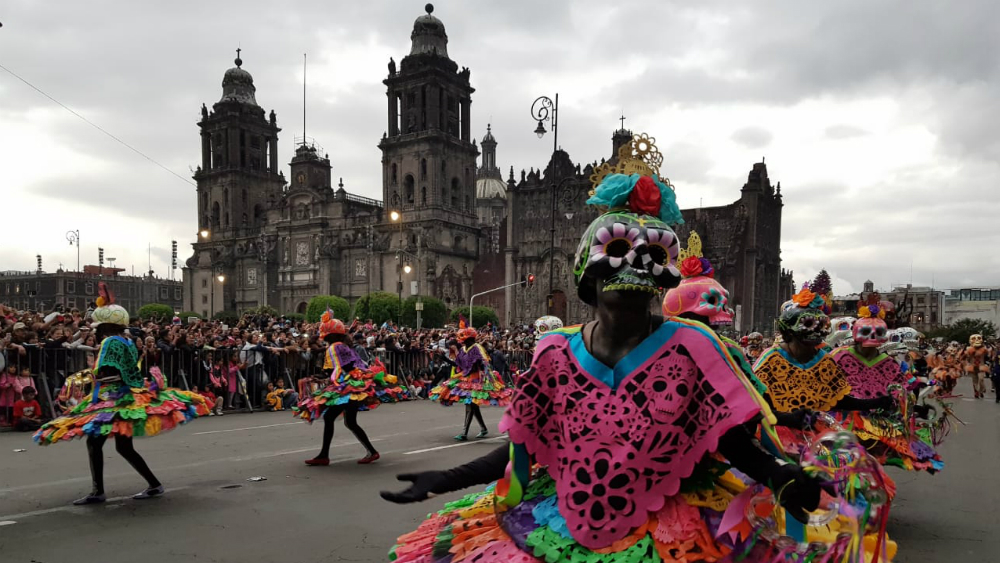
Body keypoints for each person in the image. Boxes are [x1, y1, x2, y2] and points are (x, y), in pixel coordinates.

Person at [382, 136, 891, 562]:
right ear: (586, 278)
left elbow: (724, 439)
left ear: (660, 280)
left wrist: (780, 476)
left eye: (648, 263)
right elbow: (526, 447)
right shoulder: (553, 353)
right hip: (563, 518)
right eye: (617, 257)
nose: (631, 276)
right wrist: (445, 478)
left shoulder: (693, 346)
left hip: (670, 521)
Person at [33, 283, 210, 505]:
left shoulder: (109, 342)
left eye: (96, 327)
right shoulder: (126, 341)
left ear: (105, 326)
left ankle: (100, 491)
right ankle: (152, 485)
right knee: (122, 446)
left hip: (112, 396)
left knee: (97, 443)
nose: (94, 330)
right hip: (123, 393)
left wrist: (88, 375)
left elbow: (107, 370)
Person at [295, 309, 406, 466]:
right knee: (350, 422)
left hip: (348, 387)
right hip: (353, 384)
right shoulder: (344, 346)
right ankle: (371, 452)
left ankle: (324, 455)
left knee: (331, 418)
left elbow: (341, 368)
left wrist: (329, 378)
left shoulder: (335, 347)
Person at [963, 333, 990, 399]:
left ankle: (981, 390)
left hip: (981, 366)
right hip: (973, 366)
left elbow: (988, 354)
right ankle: (976, 392)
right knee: (974, 381)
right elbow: (966, 357)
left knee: (981, 379)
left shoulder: (984, 349)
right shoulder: (969, 350)